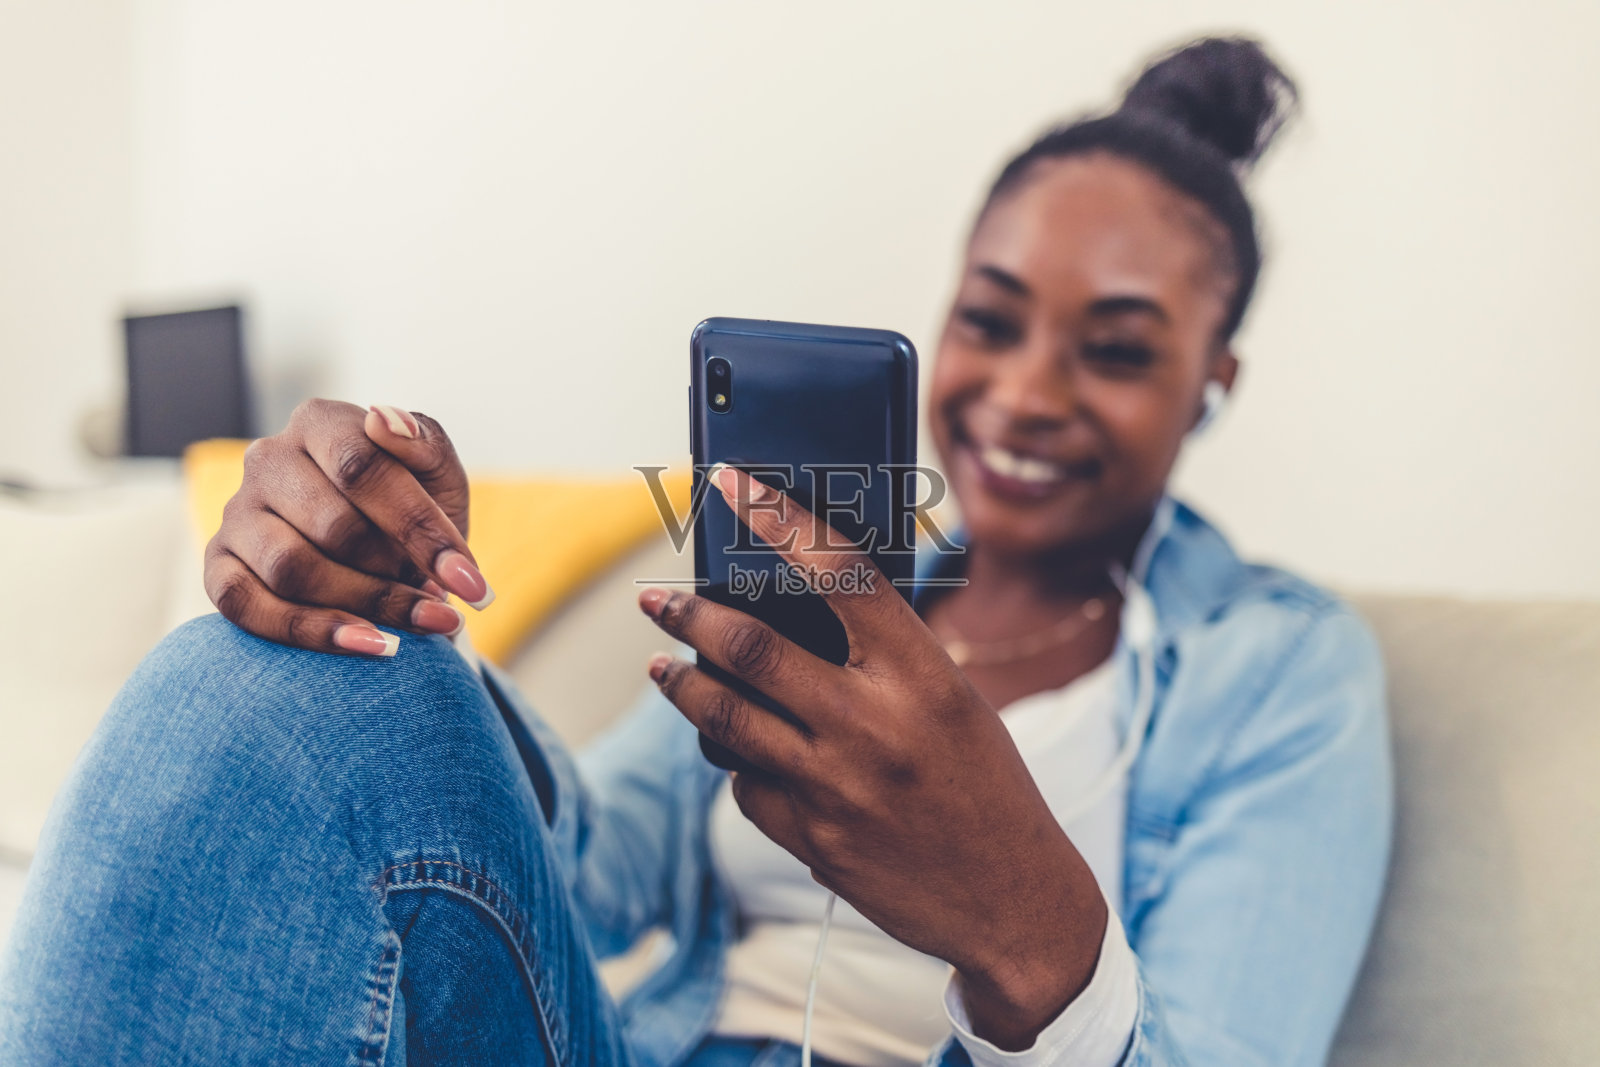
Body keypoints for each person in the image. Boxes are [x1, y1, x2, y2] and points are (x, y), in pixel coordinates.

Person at [0, 35, 1391, 1067]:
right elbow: (590, 867)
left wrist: (1033, 930)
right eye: (992, 318)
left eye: (1118, 351)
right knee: (263, 687)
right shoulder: (829, 584)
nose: (1027, 391)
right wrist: (405, 622)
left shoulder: (1277, 670)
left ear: (1213, 383)